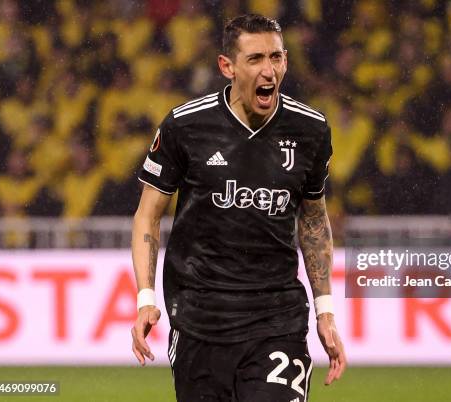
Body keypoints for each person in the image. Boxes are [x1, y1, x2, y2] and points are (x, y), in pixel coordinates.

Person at [130, 14, 346, 401]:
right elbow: (148, 214)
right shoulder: (186, 126)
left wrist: (325, 312)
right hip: (200, 317)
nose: (270, 71)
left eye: (277, 58)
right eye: (256, 59)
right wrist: (146, 297)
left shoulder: (310, 130)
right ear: (227, 66)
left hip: (277, 318)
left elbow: (314, 219)